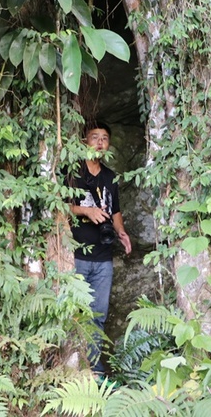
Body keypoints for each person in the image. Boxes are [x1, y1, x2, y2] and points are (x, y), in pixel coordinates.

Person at [67, 121, 132, 375]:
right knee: (73, 314)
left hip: (103, 257)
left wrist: (121, 232)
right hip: (76, 254)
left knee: (98, 315)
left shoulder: (110, 176)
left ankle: (95, 370)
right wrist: (86, 210)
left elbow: (115, 211)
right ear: (85, 140)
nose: (100, 142)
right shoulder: (72, 171)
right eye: (95, 137)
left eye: (104, 138)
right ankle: (72, 368)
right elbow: (59, 205)